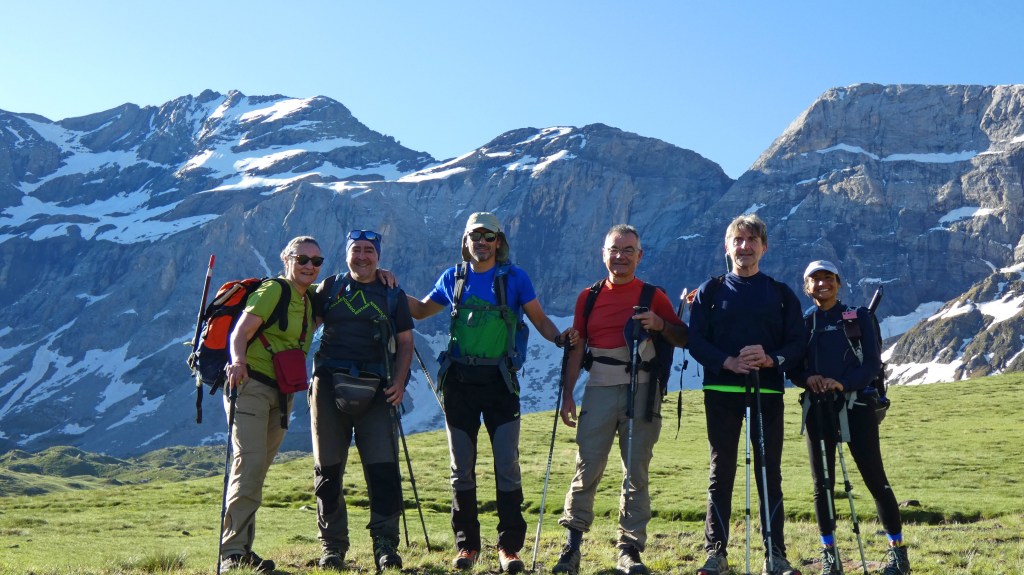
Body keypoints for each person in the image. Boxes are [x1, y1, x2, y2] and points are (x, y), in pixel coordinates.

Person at [407, 211, 575, 574]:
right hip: (460, 384)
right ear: (466, 242)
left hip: (499, 382)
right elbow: (420, 311)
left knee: (507, 466)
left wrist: (559, 337)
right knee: (461, 469)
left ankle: (508, 548)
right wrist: (383, 287)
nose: (481, 242)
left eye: (488, 236)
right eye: (474, 236)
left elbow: (540, 319)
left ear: (499, 242)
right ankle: (467, 547)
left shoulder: (515, 278)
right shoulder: (453, 277)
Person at [552, 224, 688, 575]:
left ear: (640, 256)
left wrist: (658, 323)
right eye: (614, 249)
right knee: (588, 466)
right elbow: (578, 343)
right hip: (598, 387)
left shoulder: (654, 295)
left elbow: (682, 337)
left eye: (628, 250)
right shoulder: (589, 296)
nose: (621, 256)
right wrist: (568, 394)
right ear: (603, 254)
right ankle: (573, 546)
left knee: (636, 472)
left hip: (642, 391)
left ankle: (629, 549)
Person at [687, 214, 807, 575]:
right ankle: (716, 554)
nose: (744, 246)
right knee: (720, 471)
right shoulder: (709, 292)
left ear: (764, 247)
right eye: (738, 240)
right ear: (728, 247)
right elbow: (695, 341)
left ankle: (776, 555)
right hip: (721, 391)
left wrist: (772, 359)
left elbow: (799, 342)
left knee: (769, 472)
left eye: (752, 240)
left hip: (766, 392)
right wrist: (727, 362)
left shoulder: (782, 294)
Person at [793, 260, 909, 575]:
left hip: (857, 407)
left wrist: (842, 383)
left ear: (838, 283)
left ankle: (897, 554)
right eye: (815, 280)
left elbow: (872, 364)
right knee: (823, 485)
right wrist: (809, 379)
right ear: (807, 287)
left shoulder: (858, 317)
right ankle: (830, 556)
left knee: (875, 479)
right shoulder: (804, 324)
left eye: (828, 278)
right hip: (818, 408)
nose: (822, 284)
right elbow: (793, 368)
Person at [309, 229, 414, 571]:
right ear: (346, 254)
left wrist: (399, 383)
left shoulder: (392, 293)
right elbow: (304, 321)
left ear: (379, 256)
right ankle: (333, 547)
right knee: (328, 470)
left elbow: (406, 342)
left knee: (383, 469)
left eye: (369, 250)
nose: (362, 256)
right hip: (328, 385)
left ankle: (385, 544)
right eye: (356, 250)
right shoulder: (329, 288)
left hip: (379, 388)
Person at [220, 236, 322, 573]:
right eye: (302, 259)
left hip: (282, 394)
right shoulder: (274, 290)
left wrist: (382, 276)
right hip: (249, 386)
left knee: (256, 470)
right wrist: (237, 362)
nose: (309, 266)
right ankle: (232, 553)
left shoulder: (308, 300)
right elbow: (239, 332)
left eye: (316, 261)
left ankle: (242, 550)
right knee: (248, 466)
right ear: (287, 259)